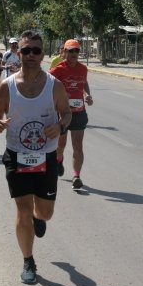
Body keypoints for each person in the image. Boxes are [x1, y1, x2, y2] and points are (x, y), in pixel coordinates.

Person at [0, 30, 72, 284]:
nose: (31, 55)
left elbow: (67, 113)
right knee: (22, 210)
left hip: (45, 157)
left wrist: (59, 127)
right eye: (26, 50)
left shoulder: (54, 85)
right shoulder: (8, 85)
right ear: (19, 53)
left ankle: (39, 217)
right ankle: (28, 260)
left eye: (36, 50)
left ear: (43, 54)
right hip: (17, 155)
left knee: (44, 213)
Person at [49, 39, 93, 189]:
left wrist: (87, 95)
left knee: (78, 146)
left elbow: (84, 82)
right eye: (71, 51)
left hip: (79, 112)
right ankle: (59, 160)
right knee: (61, 145)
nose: (75, 54)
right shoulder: (58, 69)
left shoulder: (83, 69)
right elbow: (48, 85)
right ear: (65, 52)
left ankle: (76, 176)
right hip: (62, 113)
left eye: (77, 51)